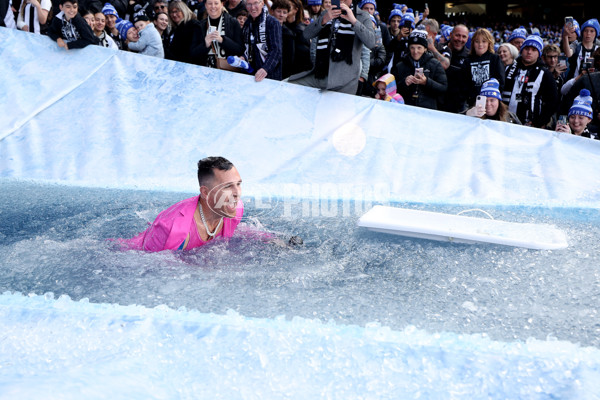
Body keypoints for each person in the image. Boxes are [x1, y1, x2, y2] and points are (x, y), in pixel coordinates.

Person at [121, 157, 244, 252]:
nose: (236, 193)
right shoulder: (174, 231)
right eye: (227, 187)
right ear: (205, 192)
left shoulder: (235, 208)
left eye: (238, 184)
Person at [287, 0, 375, 94]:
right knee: (285, 85)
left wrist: (353, 20)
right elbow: (306, 35)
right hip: (320, 74)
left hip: (345, 80)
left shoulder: (362, 15)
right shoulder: (326, 13)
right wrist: (324, 20)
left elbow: (371, 42)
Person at [502, 34, 559, 128]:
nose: (529, 52)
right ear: (521, 50)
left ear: (539, 53)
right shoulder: (508, 68)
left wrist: (540, 122)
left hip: (531, 125)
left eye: (534, 50)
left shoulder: (544, 73)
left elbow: (552, 101)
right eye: (526, 48)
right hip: (505, 122)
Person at [392, 28, 447, 110]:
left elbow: (443, 87)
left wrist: (426, 82)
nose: (415, 51)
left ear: (425, 49)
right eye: (412, 48)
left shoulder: (435, 64)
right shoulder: (400, 65)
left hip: (428, 110)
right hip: (405, 109)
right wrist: (404, 83)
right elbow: (392, 89)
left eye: (419, 48)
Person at [189, 0, 244, 67]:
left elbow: (240, 50)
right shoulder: (200, 26)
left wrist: (222, 40)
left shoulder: (233, 23)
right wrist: (205, 44)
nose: (213, 6)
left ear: (222, 4)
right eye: (210, 3)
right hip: (205, 70)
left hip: (227, 70)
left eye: (216, 3)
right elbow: (192, 54)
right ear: (205, 5)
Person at [242, 0, 282, 81]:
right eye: (249, 4)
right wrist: (243, 57)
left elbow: (276, 50)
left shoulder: (272, 22)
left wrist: (265, 69)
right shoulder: (247, 24)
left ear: (262, 4)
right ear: (246, 6)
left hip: (270, 76)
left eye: (256, 3)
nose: (253, 7)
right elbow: (247, 47)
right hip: (251, 74)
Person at [465, 28, 505, 106]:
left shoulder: (495, 58)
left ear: (489, 43)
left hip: (491, 102)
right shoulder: (468, 61)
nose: (480, 45)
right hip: (473, 103)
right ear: (473, 43)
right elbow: (464, 83)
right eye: (477, 41)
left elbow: (501, 82)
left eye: (484, 41)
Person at [439, 24, 469, 113]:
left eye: (464, 37)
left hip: (457, 108)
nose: (460, 39)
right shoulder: (438, 49)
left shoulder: (469, 57)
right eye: (457, 35)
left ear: (467, 39)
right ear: (451, 34)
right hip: (436, 104)